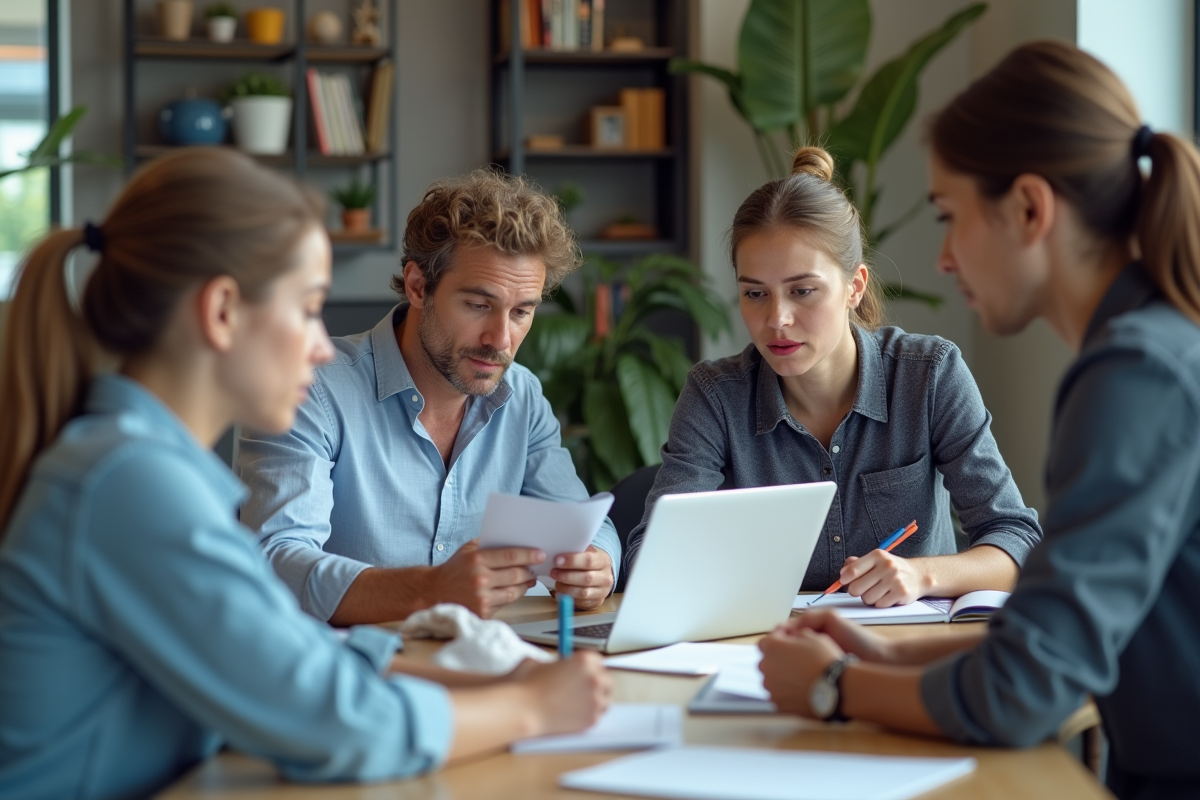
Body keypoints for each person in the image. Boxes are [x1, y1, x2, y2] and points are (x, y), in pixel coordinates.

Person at [0, 149, 611, 799]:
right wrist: (532, 709)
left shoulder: (146, 469)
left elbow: (292, 655)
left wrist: (504, 684)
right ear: (223, 311)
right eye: (306, 307)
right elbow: (331, 723)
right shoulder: (131, 484)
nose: (322, 344)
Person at [757, 41, 1200, 800]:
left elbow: (1025, 692)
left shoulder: (1133, 376)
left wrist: (836, 686)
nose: (944, 258)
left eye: (950, 216)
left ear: (1029, 208)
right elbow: (1044, 642)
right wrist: (882, 658)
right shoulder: (1150, 350)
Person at [624, 146, 1042, 607]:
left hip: (910, 648)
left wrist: (921, 575)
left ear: (854, 286)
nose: (777, 318)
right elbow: (650, 557)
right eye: (755, 293)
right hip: (768, 650)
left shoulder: (929, 376)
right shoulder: (715, 397)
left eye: (803, 291)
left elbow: (1016, 538)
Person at [238, 170, 620, 626]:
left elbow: (583, 522)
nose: (501, 338)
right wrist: (431, 590)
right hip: (351, 673)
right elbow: (276, 561)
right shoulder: (311, 389)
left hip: (486, 667)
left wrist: (599, 565)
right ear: (419, 286)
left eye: (521, 312)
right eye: (478, 305)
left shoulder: (522, 397)